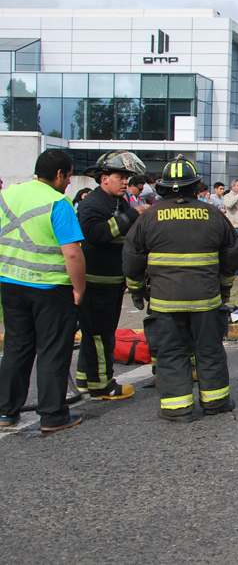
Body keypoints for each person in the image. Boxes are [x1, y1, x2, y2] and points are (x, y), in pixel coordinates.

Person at [123, 155, 238, 422]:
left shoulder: (149, 216)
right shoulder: (213, 214)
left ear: (163, 186)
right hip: (206, 301)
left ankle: (178, 409)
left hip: (165, 303)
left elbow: (132, 257)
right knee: (209, 349)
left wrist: (136, 290)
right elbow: (233, 254)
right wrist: (224, 289)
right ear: (195, 186)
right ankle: (216, 402)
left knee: (171, 352)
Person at [0, 150, 86, 432]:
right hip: (50, 288)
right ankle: (52, 415)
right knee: (52, 350)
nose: (69, 182)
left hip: (10, 283)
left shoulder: (8, 195)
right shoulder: (58, 202)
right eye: (69, 176)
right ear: (60, 175)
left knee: (16, 348)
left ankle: (6, 411)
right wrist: (78, 289)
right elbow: (72, 254)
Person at [75, 151, 149, 399]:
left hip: (111, 282)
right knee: (100, 334)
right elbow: (96, 234)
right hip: (97, 283)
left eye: (127, 177)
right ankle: (102, 385)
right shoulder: (92, 204)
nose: (125, 182)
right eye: (120, 176)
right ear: (103, 178)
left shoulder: (117, 202)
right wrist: (132, 215)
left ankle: (86, 377)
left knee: (97, 332)